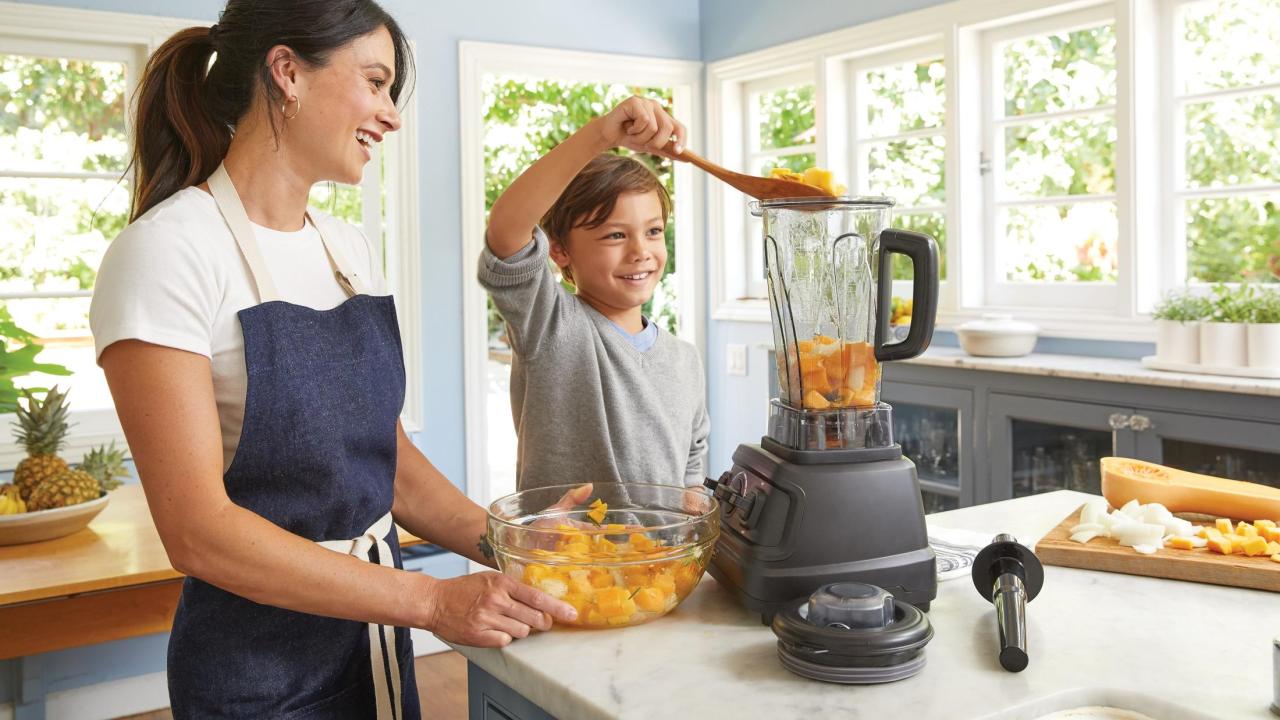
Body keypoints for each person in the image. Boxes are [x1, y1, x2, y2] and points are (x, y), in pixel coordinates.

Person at [89, 2, 577, 717]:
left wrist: (510, 544)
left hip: (375, 642)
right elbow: (198, 532)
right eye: (375, 82)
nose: (391, 113)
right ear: (287, 72)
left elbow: (391, 466)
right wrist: (431, 599)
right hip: (256, 672)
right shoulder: (167, 252)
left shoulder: (347, 249)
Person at [479, 97, 710, 492]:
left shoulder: (685, 361)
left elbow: (691, 485)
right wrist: (602, 134)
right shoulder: (551, 327)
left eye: (653, 231)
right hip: (563, 553)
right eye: (615, 235)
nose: (640, 251)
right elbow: (506, 231)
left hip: (662, 556)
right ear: (560, 250)